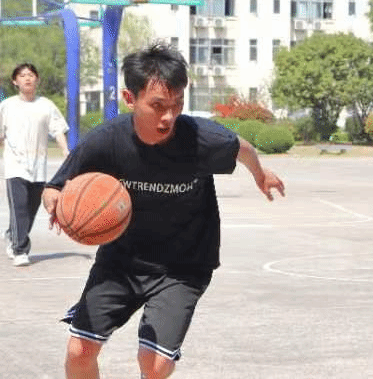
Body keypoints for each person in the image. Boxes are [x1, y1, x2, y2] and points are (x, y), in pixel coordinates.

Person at [41, 43, 285, 379]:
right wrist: (55, 201)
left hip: (182, 267)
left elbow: (243, 148)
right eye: (158, 105)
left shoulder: (201, 138)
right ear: (130, 99)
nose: (169, 116)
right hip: (121, 261)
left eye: (177, 104)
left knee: (155, 365)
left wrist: (260, 173)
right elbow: (55, 186)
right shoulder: (106, 141)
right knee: (79, 350)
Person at [0, 62, 69, 267]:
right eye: (22, 75)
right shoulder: (7, 106)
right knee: (19, 208)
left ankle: (12, 235)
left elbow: (58, 129)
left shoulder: (46, 105)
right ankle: (20, 250)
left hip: (38, 165)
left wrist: (65, 150)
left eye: (31, 74)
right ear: (15, 81)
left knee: (31, 208)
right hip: (15, 165)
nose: (27, 78)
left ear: (37, 79)